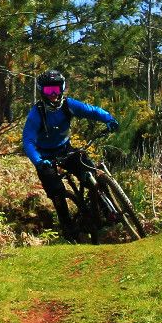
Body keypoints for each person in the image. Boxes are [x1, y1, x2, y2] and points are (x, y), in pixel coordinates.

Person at [23, 69, 116, 241]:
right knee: (56, 191)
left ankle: (108, 210)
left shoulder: (68, 105)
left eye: (56, 90)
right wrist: (38, 161)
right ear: (41, 92)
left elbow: (91, 111)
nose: (52, 95)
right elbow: (28, 141)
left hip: (65, 149)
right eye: (48, 91)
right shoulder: (36, 114)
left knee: (90, 172)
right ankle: (69, 228)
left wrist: (108, 119)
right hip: (45, 157)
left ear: (62, 89)